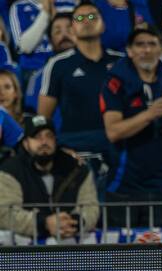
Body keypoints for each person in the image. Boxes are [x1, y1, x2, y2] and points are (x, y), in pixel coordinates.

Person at [100, 24, 162, 227]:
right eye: (140, 45)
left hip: (160, 185)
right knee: (120, 254)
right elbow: (113, 132)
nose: (146, 50)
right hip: (122, 185)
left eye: (152, 44)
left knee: (157, 255)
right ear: (130, 51)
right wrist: (149, 114)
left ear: (160, 49)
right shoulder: (115, 83)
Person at [39, 1, 123, 193]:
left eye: (92, 16)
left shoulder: (121, 62)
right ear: (73, 28)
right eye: (79, 18)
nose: (86, 21)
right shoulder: (58, 64)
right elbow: (44, 117)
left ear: (103, 24)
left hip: (117, 144)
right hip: (75, 146)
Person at [0, 115, 98, 239]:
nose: (44, 142)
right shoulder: (10, 171)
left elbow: (91, 208)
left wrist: (73, 222)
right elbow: (5, 213)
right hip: (24, 253)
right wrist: (44, 223)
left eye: (49, 136)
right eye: (37, 137)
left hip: (70, 246)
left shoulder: (77, 169)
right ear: (25, 143)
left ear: (56, 141)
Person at [9, 0, 76, 84]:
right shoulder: (20, 7)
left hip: (68, 64)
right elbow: (25, 47)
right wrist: (45, 13)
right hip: (33, 69)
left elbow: (78, 39)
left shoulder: (68, 4)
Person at [24, 11, 72, 116]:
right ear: (50, 41)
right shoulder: (39, 77)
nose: (64, 35)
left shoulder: (100, 66)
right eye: (57, 31)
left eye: (69, 29)